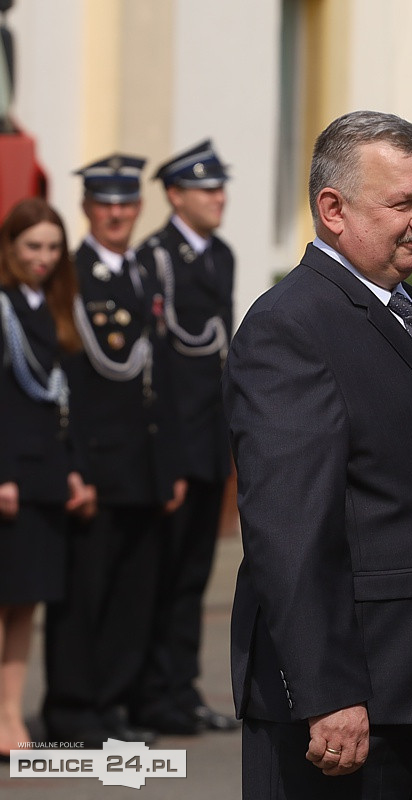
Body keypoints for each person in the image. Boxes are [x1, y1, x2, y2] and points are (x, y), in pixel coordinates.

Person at [222, 110, 412, 800]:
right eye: (403, 203)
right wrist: (328, 693)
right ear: (333, 209)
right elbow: (291, 530)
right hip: (353, 704)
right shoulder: (291, 327)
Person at [42, 154, 188, 747]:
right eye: (106, 204)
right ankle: (72, 712)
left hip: (144, 465)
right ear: (87, 209)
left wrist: (171, 466)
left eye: (127, 204)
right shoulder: (70, 275)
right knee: (84, 598)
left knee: (132, 595)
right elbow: (65, 383)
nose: (118, 214)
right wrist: (73, 467)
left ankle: (113, 705)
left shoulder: (143, 273)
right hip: (97, 464)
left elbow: (161, 377)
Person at [133, 140, 238, 735]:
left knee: (193, 576)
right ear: (175, 196)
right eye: (206, 188)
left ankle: (180, 691)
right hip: (171, 446)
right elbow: (160, 371)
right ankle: (150, 695)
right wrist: (166, 456)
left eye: (221, 187)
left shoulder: (219, 255)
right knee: (160, 574)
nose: (219, 197)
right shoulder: (156, 258)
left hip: (207, 442)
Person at [0, 198, 96, 757]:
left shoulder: (56, 306)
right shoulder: (6, 306)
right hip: (10, 479)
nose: (43, 257)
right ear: (10, 247)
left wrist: (77, 472)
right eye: (32, 246)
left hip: (47, 478)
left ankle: (11, 714)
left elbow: (67, 402)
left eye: (53, 247)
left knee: (25, 606)